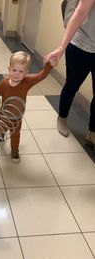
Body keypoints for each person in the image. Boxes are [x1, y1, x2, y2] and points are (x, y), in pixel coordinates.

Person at [0, 51, 57, 162]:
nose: (17, 74)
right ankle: (0, 133)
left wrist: (49, 66)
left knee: (15, 134)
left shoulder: (27, 82)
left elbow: (40, 76)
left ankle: (15, 150)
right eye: (14, 70)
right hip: (4, 114)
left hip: (17, 117)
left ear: (26, 72)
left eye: (21, 71)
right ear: (9, 69)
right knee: (2, 126)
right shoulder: (4, 83)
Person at [44, 0, 95, 148]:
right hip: (80, 45)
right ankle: (62, 118)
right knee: (72, 86)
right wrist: (61, 48)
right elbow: (80, 12)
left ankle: (92, 132)